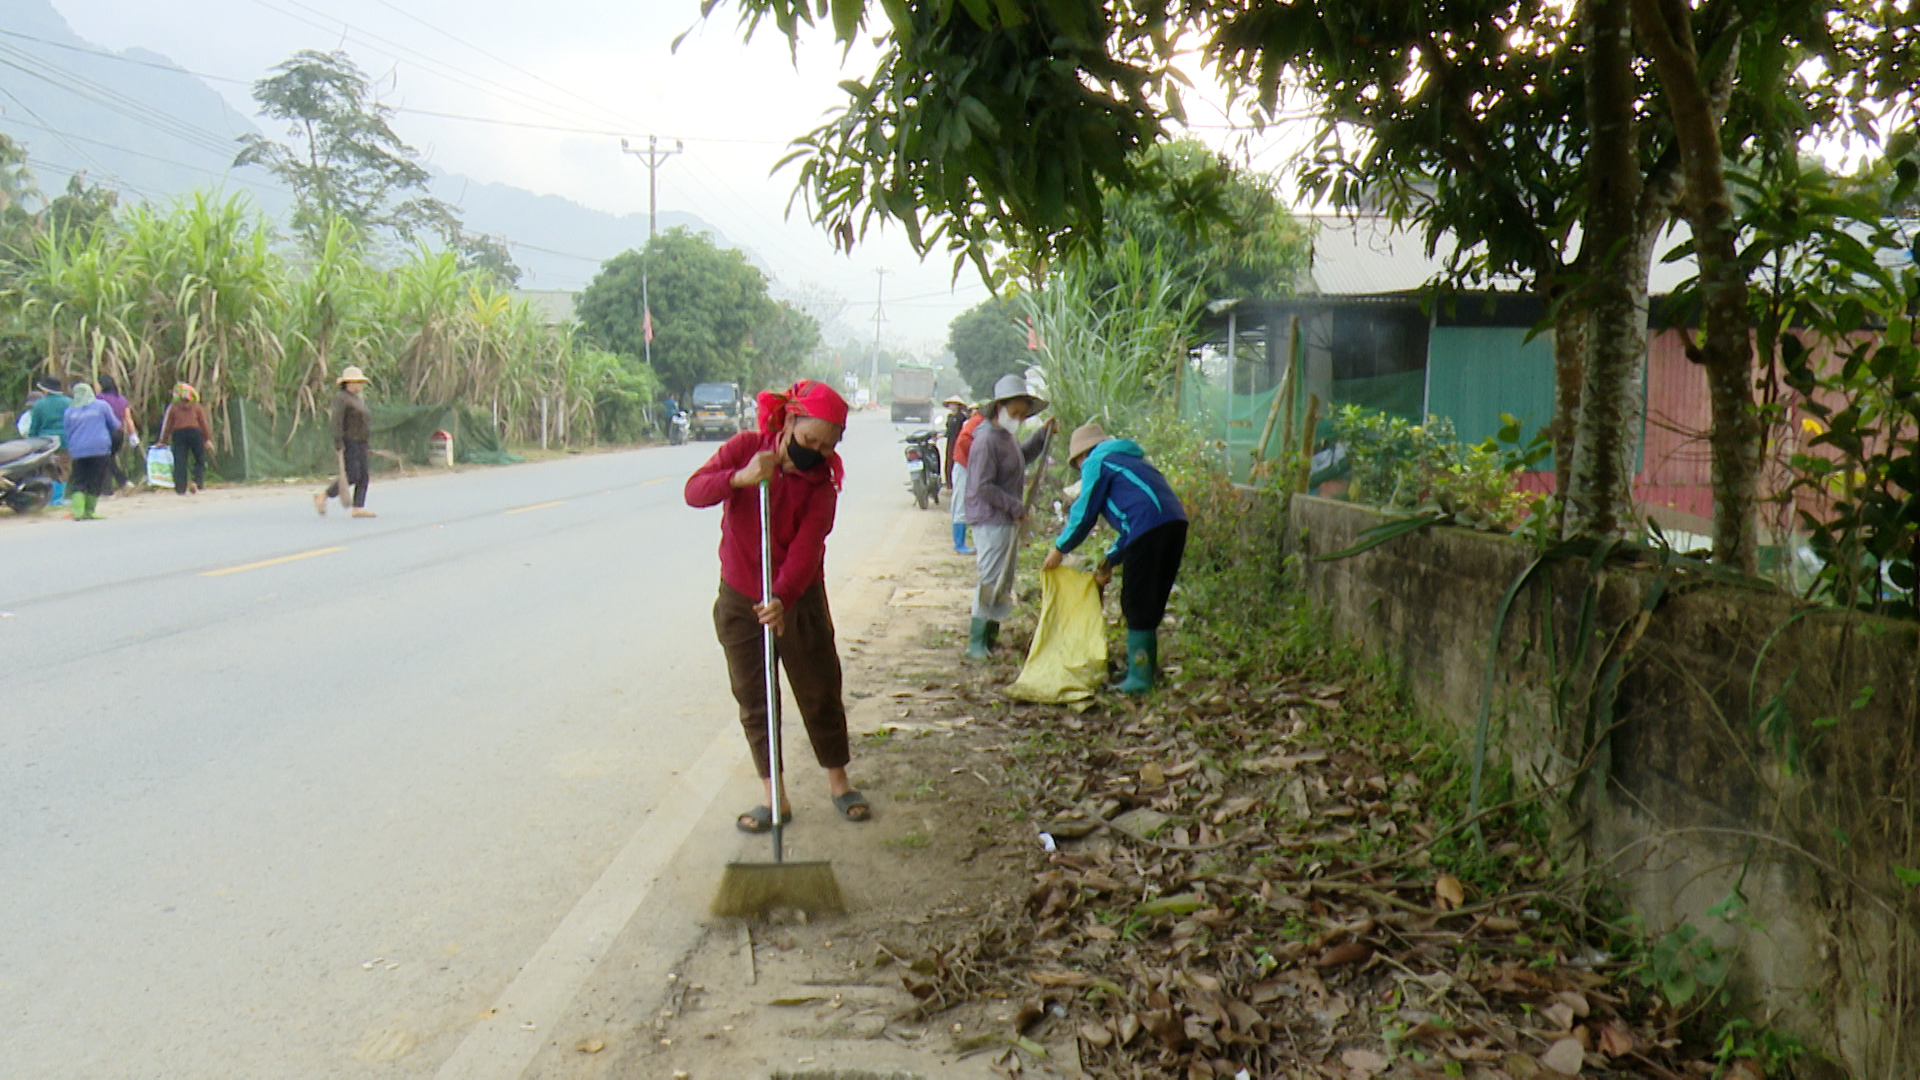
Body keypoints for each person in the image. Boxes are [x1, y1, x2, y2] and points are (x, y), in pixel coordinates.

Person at [684, 378, 870, 832]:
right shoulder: (746, 447)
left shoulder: (822, 486)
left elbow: (807, 551)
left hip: (797, 599)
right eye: (809, 440)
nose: (817, 452)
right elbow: (695, 492)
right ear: (788, 420)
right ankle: (775, 797)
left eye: (828, 447)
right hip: (740, 597)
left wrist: (783, 597)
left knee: (819, 688)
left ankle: (839, 783)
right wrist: (742, 477)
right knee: (755, 699)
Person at [1042, 422, 1189, 694]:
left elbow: (1084, 512)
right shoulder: (1131, 461)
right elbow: (1132, 522)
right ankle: (1140, 668)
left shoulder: (1097, 461)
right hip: (1173, 525)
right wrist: (1109, 561)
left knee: (1137, 601)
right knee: (1150, 600)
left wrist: (1060, 548)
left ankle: (1140, 680)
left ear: (1080, 456)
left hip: (1151, 529)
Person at [963, 374, 1054, 661]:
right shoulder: (986, 440)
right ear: (999, 408)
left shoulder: (1006, 437)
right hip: (991, 518)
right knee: (990, 578)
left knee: (1003, 580)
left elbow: (1020, 458)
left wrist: (1041, 436)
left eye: (1022, 414)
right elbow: (982, 486)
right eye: (1014, 412)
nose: (1018, 418)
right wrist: (1016, 507)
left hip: (1004, 519)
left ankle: (989, 637)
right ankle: (976, 643)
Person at [315, 366, 375, 518]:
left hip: (361, 441)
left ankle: (358, 507)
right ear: (348, 383)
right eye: (357, 382)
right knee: (352, 475)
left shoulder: (357, 399)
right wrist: (338, 443)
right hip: (350, 442)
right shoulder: (342, 398)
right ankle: (324, 495)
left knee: (364, 475)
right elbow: (337, 422)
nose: (359, 385)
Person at [60, 383, 122, 521]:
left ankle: (77, 512)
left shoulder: (69, 411)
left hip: (78, 450)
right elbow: (115, 424)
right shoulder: (101, 406)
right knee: (95, 479)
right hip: (99, 448)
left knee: (79, 479)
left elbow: (67, 432)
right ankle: (89, 511)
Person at [157, 382, 214, 496]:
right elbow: (203, 423)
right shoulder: (196, 406)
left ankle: (180, 488)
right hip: (195, 433)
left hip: (179, 434)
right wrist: (207, 438)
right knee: (199, 458)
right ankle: (197, 481)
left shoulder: (173, 407)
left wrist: (162, 441)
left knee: (180, 461)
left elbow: (167, 425)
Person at [25, 376, 72, 506]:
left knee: (47, 470)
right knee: (64, 468)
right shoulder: (69, 402)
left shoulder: (39, 405)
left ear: (45, 390)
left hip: (45, 443)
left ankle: (50, 498)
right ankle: (59, 497)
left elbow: (34, 427)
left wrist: (30, 444)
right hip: (64, 441)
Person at [948, 403, 985, 555]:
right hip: (964, 465)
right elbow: (964, 441)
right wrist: (974, 459)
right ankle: (959, 542)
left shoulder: (980, 421)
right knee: (961, 502)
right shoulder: (978, 421)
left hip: (968, 466)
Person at [95, 375, 138, 493]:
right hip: (119, 433)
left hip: (104, 433)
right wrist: (132, 435)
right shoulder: (121, 399)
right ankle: (108, 489)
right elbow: (128, 419)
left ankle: (122, 482)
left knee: (105, 459)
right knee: (109, 459)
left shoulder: (98, 399)